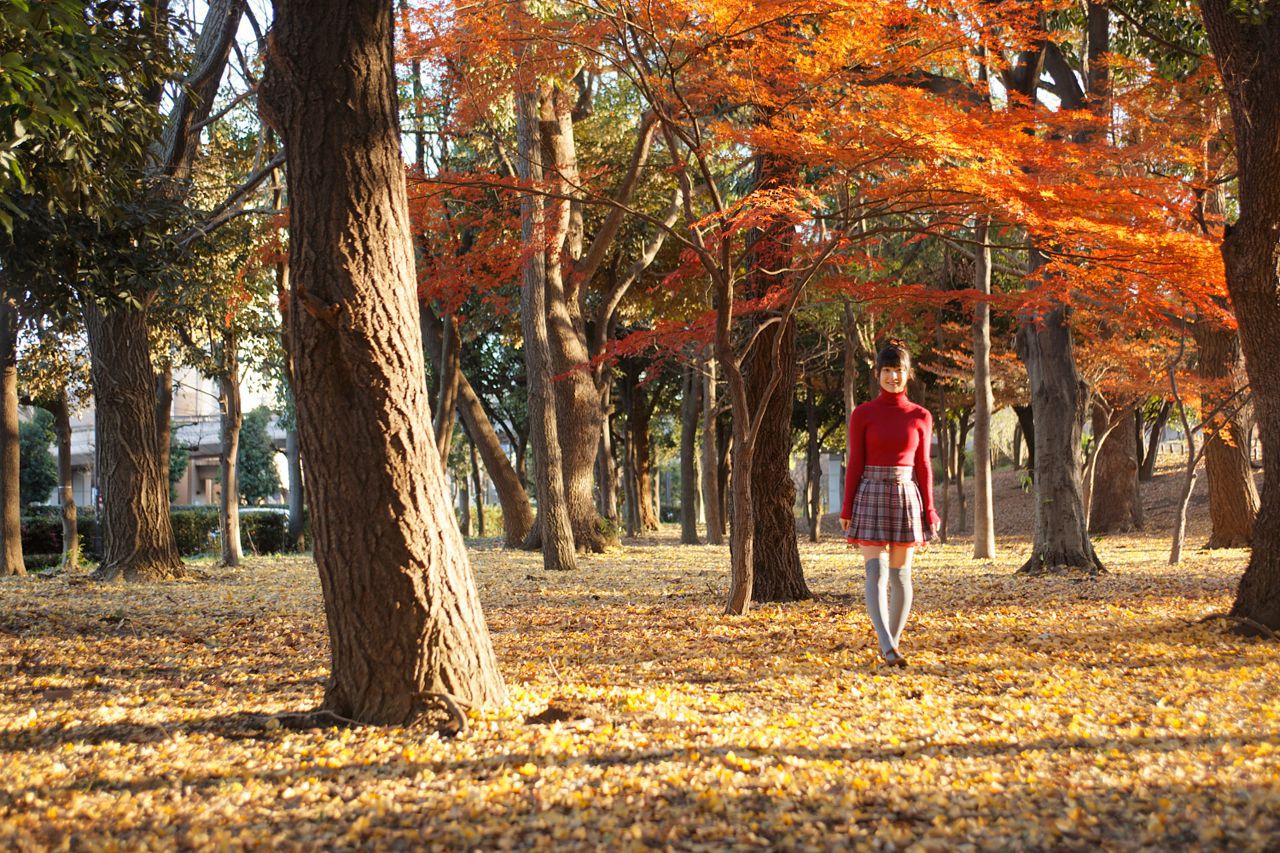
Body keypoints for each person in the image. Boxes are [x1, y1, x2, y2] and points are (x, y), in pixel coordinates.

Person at [840, 341, 939, 667]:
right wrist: (847, 507)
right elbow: (855, 462)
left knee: (900, 577)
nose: (893, 376)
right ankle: (886, 644)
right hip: (870, 491)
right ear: (877, 374)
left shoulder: (921, 416)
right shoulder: (863, 414)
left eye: (898, 370)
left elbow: (924, 466)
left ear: (908, 374)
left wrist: (930, 509)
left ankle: (891, 647)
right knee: (876, 572)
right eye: (887, 370)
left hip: (905, 493)